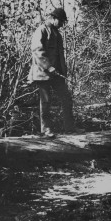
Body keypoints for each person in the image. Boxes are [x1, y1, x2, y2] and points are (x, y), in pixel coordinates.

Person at [28, 8, 76, 137]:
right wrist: (48, 67)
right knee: (46, 102)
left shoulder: (57, 33)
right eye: (60, 21)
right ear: (53, 18)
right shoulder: (42, 30)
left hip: (56, 74)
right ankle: (46, 130)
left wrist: (62, 72)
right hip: (43, 73)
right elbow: (37, 51)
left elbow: (59, 56)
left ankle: (70, 128)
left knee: (66, 98)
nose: (62, 24)